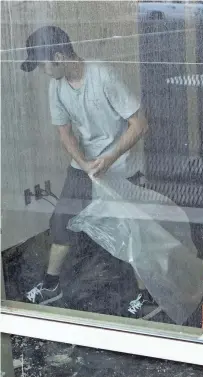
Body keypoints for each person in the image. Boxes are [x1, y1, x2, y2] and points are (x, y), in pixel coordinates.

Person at [22, 25, 154, 317]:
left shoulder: (102, 76)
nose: (43, 71)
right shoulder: (56, 86)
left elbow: (140, 124)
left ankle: (147, 297)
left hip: (119, 166)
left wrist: (108, 158)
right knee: (61, 222)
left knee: (132, 231)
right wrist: (83, 163)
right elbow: (65, 133)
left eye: (43, 64)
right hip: (85, 166)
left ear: (58, 56)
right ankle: (51, 285)